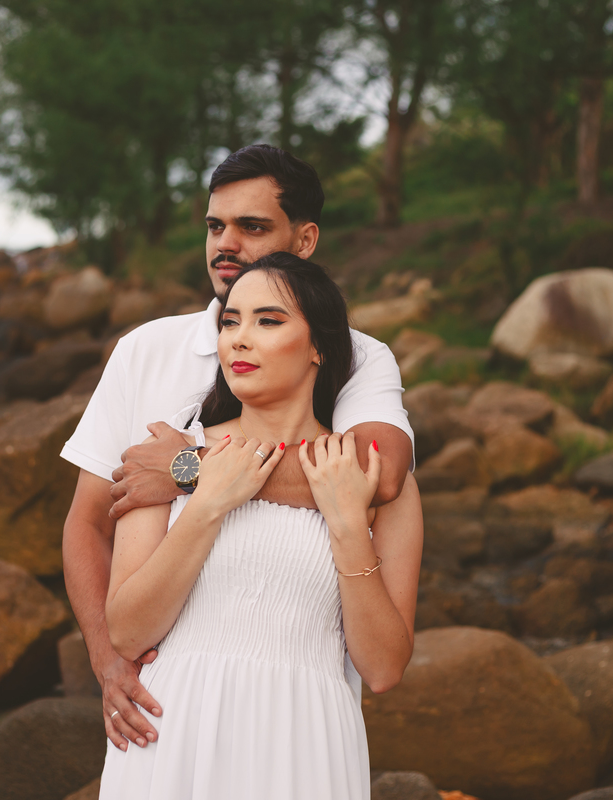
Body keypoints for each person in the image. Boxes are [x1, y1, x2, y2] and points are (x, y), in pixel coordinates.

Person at [59, 144, 416, 755]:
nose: (225, 244)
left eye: (252, 227)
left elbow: (375, 477)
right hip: (172, 708)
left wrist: (189, 468)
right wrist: (108, 661)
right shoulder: (145, 350)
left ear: (304, 240)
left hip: (306, 722)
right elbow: (89, 521)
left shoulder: (358, 355)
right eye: (215, 226)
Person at [98, 254, 422, 798]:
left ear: (319, 346)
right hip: (174, 732)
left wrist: (347, 528)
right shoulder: (170, 455)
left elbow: (384, 668)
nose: (239, 339)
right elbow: (127, 631)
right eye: (230, 322)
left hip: (305, 744)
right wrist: (208, 499)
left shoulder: (372, 482)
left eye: (268, 321)